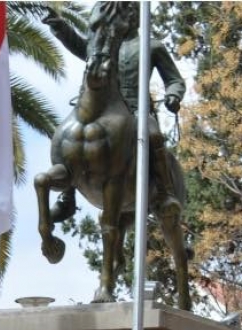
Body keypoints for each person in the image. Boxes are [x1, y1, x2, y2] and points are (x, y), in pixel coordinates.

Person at [44, 3, 186, 211]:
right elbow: (80, 46)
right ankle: (68, 196)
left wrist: (173, 95)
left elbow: (174, 80)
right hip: (102, 108)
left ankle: (165, 192)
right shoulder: (104, 44)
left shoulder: (152, 46)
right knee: (71, 133)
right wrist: (60, 27)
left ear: (134, 18)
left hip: (136, 110)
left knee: (153, 134)